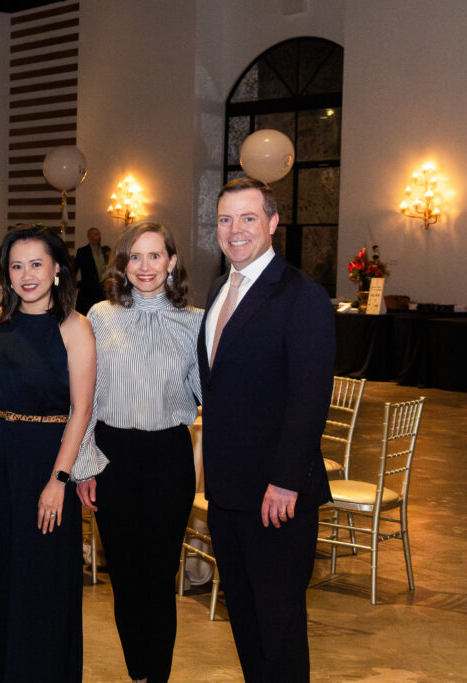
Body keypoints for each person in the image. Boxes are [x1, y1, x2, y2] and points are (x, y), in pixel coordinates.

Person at [199, 177, 334, 682]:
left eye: (248, 218)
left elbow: (309, 398)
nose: (235, 230)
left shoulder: (301, 295)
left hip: (276, 498)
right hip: (228, 494)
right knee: (248, 627)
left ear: (273, 223)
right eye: (225, 220)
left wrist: (285, 480)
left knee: (279, 632)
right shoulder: (219, 290)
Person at [73, 222, 202, 683]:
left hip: (168, 455)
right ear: (122, 265)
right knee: (125, 577)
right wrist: (84, 466)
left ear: (171, 262)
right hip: (113, 455)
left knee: (159, 576)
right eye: (135, 257)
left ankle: (156, 675)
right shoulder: (100, 316)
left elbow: (209, 392)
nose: (145, 266)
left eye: (154, 256)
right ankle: (138, 672)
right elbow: (86, 398)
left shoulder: (196, 322)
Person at [0, 225, 96, 683]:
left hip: (45, 462)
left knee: (41, 582)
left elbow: (81, 411)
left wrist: (58, 481)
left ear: (58, 269)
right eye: (17, 266)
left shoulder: (75, 327)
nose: (26, 275)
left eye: (36, 264)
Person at [73, 227, 110, 314]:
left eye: (99, 234)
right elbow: (74, 268)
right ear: (89, 237)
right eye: (96, 234)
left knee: (101, 314)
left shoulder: (105, 251)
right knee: (86, 314)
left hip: (102, 290)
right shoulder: (82, 251)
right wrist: (72, 284)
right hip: (87, 290)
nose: (98, 237)